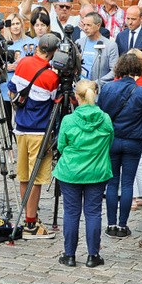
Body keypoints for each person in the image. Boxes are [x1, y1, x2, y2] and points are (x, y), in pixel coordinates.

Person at [53, 79, 114, 268]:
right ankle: (93, 255)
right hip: (96, 171)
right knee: (93, 213)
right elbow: (109, 142)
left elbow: (61, 146)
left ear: (77, 97)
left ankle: (69, 254)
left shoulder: (69, 120)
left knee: (71, 213)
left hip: (71, 171)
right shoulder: (105, 119)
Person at [97, 53, 142, 238]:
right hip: (133, 141)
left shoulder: (108, 89)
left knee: (112, 182)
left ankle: (111, 224)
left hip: (112, 139)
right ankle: (122, 225)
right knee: (128, 183)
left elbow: (102, 115)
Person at [7, 34, 61, 239]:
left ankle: (27, 216)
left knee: (23, 175)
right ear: (53, 52)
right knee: (36, 178)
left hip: (20, 128)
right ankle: (31, 222)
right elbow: (55, 101)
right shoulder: (51, 77)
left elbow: (12, 90)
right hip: (40, 131)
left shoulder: (23, 63)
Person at [76, 12, 118, 86]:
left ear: (98, 26)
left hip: (98, 89)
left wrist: (96, 83)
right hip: (79, 87)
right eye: (84, 25)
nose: (85, 28)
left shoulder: (110, 45)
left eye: (88, 25)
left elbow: (114, 71)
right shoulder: (79, 42)